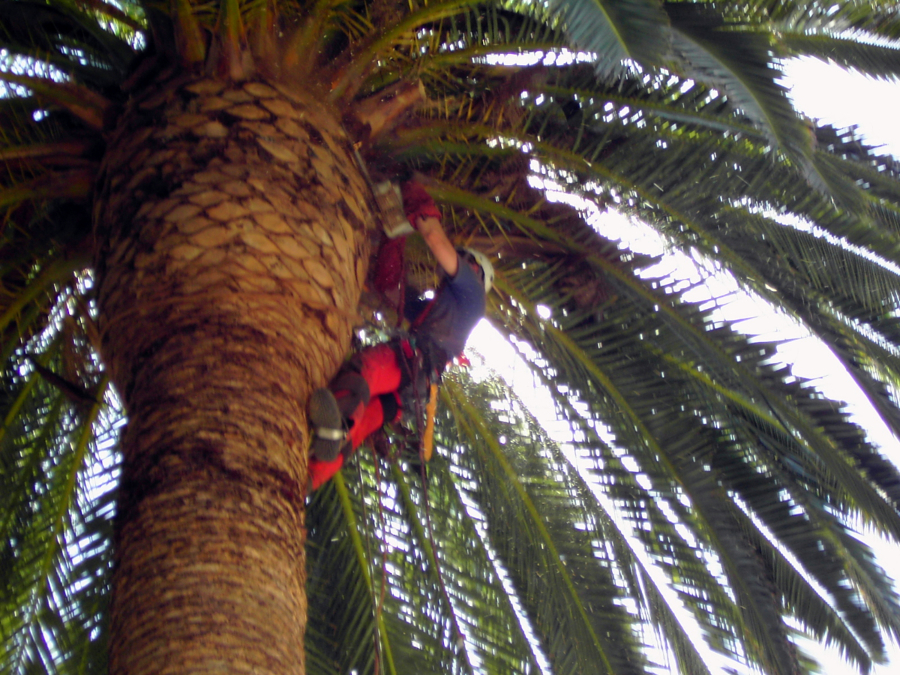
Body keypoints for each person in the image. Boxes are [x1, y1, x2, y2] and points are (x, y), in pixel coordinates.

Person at [307, 180, 494, 490]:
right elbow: (389, 290)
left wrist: (416, 204)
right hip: (414, 391)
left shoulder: (473, 295)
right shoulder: (436, 310)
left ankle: (334, 430)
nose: (454, 264)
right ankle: (308, 478)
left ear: (475, 270)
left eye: (464, 260)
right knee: (362, 424)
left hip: (411, 363)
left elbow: (434, 238)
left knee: (364, 370)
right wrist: (394, 240)